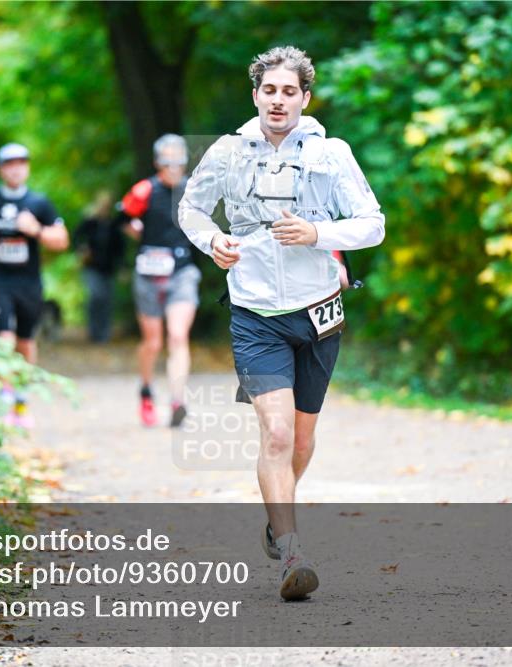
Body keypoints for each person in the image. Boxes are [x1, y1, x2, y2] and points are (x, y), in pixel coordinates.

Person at [179, 46, 385, 601]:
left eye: (289, 91)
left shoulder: (332, 154)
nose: (278, 100)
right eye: (269, 90)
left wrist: (319, 235)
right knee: (275, 431)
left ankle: (276, 520)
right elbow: (192, 210)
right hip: (254, 312)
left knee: (301, 438)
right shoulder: (226, 153)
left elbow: (372, 225)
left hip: (318, 310)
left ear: (305, 98)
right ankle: (292, 552)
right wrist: (213, 240)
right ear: (255, 95)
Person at [0, 142, 70, 425]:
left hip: (28, 282)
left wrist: (36, 230)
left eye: (21, 163)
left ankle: (21, 403)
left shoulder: (39, 203)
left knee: (25, 341)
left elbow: (62, 240)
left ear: (27, 168)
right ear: (0, 170)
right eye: (9, 164)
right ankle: (5, 393)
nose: (15, 169)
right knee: (4, 336)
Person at [117, 134, 200, 428]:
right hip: (149, 273)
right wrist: (142, 235)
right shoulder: (144, 190)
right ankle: (146, 390)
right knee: (153, 342)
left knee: (178, 336)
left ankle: (178, 401)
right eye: (167, 160)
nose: (173, 165)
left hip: (182, 271)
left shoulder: (193, 190)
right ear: (157, 162)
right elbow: (123, 219)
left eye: (178, 159)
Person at [73, 191, 125, 343]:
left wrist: (122, 267)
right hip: (91, 267)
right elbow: (76, 237)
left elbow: (120, 248)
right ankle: (94, 331)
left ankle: (104, 333)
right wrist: (82, 250)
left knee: (107, 300)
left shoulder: (114, 225)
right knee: (96, 296)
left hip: (108, 268)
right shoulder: (90, 223)